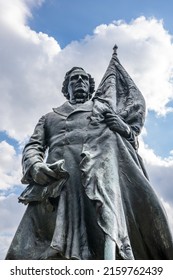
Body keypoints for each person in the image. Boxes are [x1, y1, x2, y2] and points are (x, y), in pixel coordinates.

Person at [6, 46, 173, 260]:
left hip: (97, 179)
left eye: (84, 79)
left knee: (101, 235)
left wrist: (124, 128)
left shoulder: (102, 109)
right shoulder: (49, 117)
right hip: (59, 180)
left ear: (90, 85)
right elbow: (34, 146)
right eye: (74, 79)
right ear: (66, 88)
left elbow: (124, 146)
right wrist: (35, 165)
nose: (80, 82)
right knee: (37, 251)